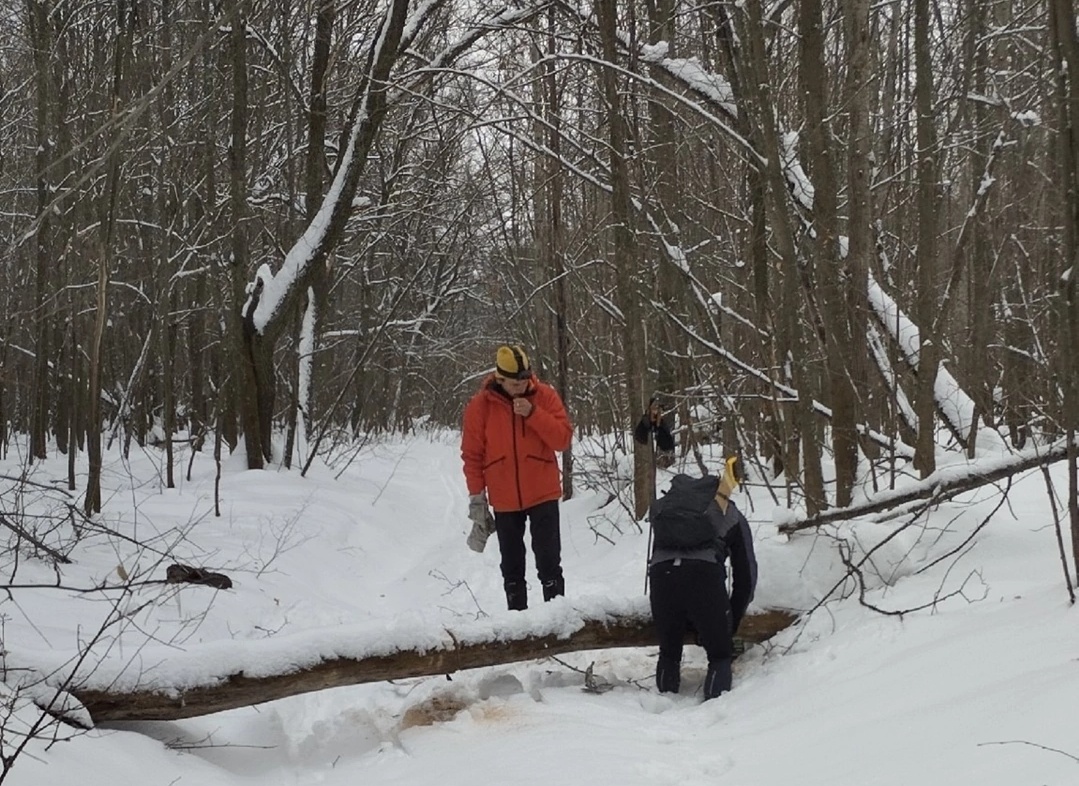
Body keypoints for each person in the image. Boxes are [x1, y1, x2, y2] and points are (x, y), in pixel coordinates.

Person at [461, 344, 573, 611]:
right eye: (514, 383)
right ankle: (518, 628)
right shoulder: (480, 407)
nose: (521, 387)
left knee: (549, 563)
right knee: (511, 567)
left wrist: (533, 415)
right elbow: (472, 455)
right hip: (504, 499)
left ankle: (557, 625)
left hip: (543, 493)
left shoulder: (544, 396)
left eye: (524, 380)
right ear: (499, 378)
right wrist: (477, 497)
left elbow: (563, 439)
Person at [648, 456, 757, 699]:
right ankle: (714, 715)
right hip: (704, 579)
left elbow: (662, 559)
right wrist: (730, 623)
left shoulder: (669, 513)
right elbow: (746, 576)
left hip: (662, 578)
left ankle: (661, 709)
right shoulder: (730, 514)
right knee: (720, 655)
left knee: (668, 653)